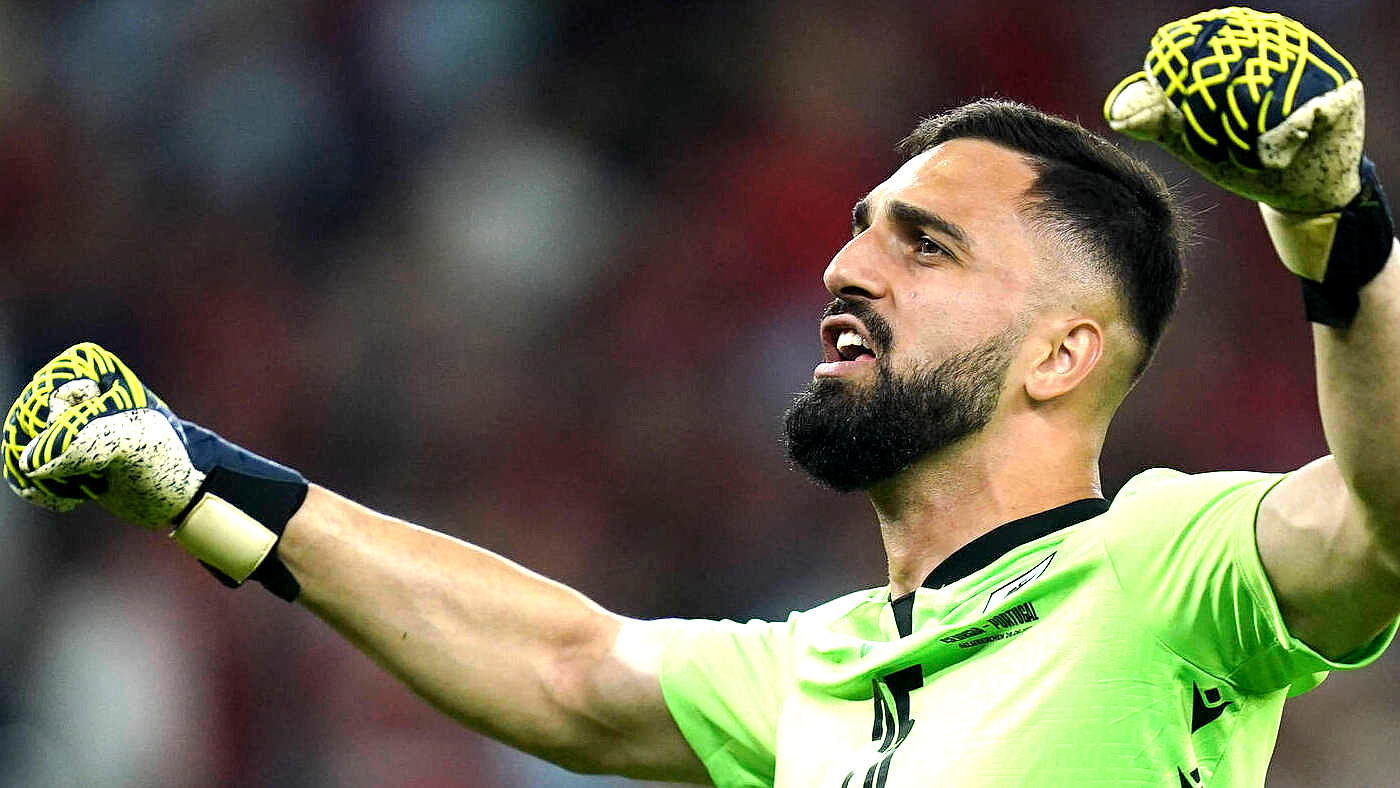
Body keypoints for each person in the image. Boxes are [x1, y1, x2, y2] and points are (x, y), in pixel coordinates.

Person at [5, 8, 1397, 787]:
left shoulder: (1159, 566)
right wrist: (196, 478)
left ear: (1062, 356)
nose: (846, 268)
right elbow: (565, 670)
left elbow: (1380, 521)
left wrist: (1332, 219)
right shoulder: (820, 665)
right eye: (860, 229)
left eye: (925, 246)